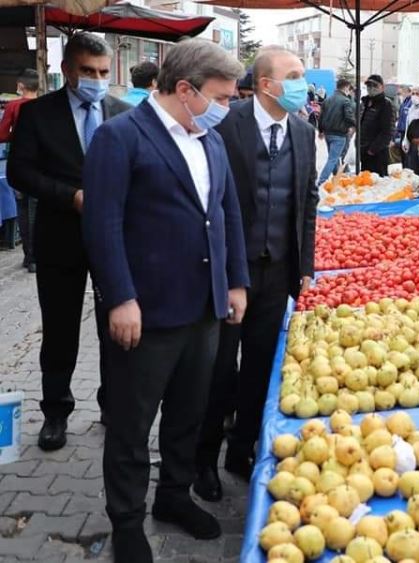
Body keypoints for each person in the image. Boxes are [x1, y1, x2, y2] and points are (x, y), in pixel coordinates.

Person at [81, 38, 249, 562]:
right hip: (145, 313)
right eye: (221, 95)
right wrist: (120, 298)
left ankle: (173, 496)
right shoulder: (120, 137)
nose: (228, 106)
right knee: (132, 426)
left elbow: (227, 215)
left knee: (189, 414)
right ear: (184, 89)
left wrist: (237, 281)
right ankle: (126, 521)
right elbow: (102, 224)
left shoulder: (210, 140)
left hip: (205, 309)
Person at [194, 47, 319, 499]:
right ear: (267, 84)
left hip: (278, 271)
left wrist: (305, 267)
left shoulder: (304, 132)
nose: (304, 84)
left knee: (260, 367)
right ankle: (202, 459)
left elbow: (308, 201)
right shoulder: (228, 123)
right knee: (219, 370)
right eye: (295, 75)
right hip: (231, 272)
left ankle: (241, 450)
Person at [7, 33, 130, 451]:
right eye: (87, 71)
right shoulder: (39, 114)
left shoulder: (122, 113)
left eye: (102, 72)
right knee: (59, 331)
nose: (96, 79)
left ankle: (114, 405)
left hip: (113, 241)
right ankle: (56, 413)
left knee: (115, 327)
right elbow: (19, 174)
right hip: (60, 238)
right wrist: (70, 196)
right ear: (67, 71)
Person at [0, 68, 39, 272]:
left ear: (21, 86)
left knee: (22, 208)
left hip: (19, 164)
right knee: (37, 209)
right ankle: (36, 257)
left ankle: (28, 256)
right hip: (42, 165)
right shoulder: (46, 105)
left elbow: (2, 135)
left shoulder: (13, 106)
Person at [317, 78, 356, 185]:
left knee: (333, 158)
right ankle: (322, 181)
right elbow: (349, 117)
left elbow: (321, 117)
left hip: (328, 134)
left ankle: (336, 180)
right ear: (346, 87)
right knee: (333, 159)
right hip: (340, 134)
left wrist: (321, 130)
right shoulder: (345, 101)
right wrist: (354, 125)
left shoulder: (327, 100)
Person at [359, 74, 394, 176]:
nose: (371, 88)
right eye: (369, 86)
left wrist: (372, 149)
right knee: (364, 181)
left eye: (375, 86)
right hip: (364, 150)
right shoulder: (365, 102)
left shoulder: (386, 104)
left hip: (377, 153)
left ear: (382, 87)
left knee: (378, 182)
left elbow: (388, 131)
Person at [390, 85, 412, 164]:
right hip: (402, 131)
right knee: (403, 155)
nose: (402, 94)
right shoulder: (405, 102)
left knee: (406, 155)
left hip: (407, 132)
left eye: (402, 92)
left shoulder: (411, 102)